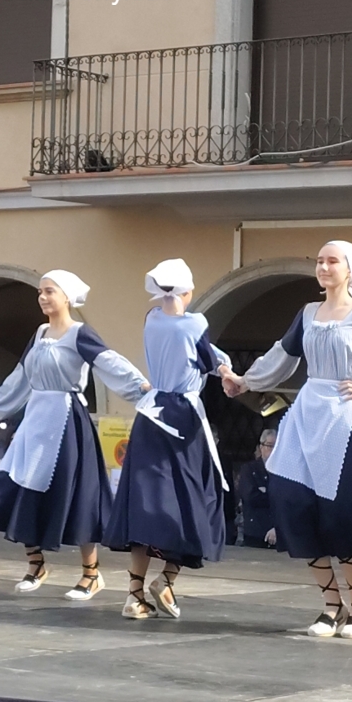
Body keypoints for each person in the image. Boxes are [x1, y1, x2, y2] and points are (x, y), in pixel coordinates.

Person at [224, 241, 352, 640]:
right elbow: (281, 357)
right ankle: (332, 604)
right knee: (294, 502)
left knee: (339, 511)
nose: (323, 266)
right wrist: (245, 381)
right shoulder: (306, 314)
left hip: (346, 417)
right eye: (319, 261)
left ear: (350, 269)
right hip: (307, 414)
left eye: (332, 260)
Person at [0, 270, 149, 600]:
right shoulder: (39, 333)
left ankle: (91, 574)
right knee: (18, 486)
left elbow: (109, 362)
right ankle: (36, 564)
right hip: (35, 419)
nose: (42, 297)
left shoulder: (80, 333)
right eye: (40, 291)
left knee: (77, 494)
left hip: (66, 420)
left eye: (49, 291)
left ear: (67, 296)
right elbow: (21, 376)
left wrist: (140, 386)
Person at [104, 259, 233, 619]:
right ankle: (166, 579)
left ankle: (134, 594)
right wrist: (228, 371)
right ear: (188, 290)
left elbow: (197, 350)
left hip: (151, 414)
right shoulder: (196, 323)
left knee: (144, 501)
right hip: (182, 418)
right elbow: (207, 357)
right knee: (195, 499)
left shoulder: (151, 319)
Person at [239, 429, 276, 548]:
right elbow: (250, 497)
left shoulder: (284, 472)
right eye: (270, 445)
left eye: (277, 446)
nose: (273, 450)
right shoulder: (249, 469)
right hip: (255, 533)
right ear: (261, 447)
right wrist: (273, 497)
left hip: (277, 533)